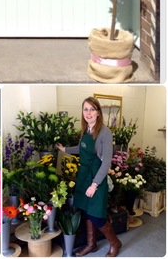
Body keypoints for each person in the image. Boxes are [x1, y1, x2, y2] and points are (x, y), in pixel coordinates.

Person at [56, 97, 122, 257]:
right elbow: (81, 148)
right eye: (85, 109)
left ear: (98, 112)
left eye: (92, 109)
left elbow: (106, 163)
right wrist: (65, 149)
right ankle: (91, 245)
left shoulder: (105, 133)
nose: (88, 113)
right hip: (84, 176)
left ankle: (115, 243)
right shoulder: (86, 130)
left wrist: (94, 185)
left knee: (96, 215)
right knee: (86, 211)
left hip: (96, 178)